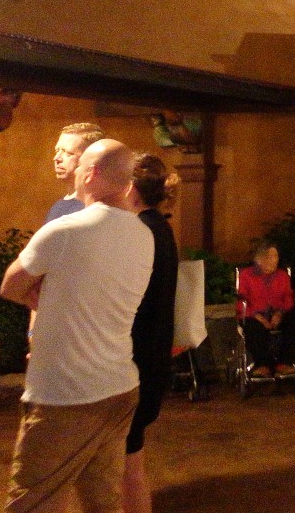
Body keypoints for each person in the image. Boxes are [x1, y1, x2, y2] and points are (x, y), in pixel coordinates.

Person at [1, 139, 153, 513]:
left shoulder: (65, 230)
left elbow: (10, 286)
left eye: (79, 164)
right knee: (103, 500)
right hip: (119, 386)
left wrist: (40, 291)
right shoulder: (144, 234)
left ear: (91, 173)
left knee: (35, 500)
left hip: (65, 394)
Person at [122, 153, 179, 513]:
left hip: (137, 356)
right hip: (152, 353)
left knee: (126, 460)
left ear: (131, 188)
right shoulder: (159, 226)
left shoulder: (142, 230)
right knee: (131, 456)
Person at [236, 240, 295, 379]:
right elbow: (241, 300)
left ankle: (284, 362)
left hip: (277, 312)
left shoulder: (282, 276)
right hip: (254, 315)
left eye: (275, 256)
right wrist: (258, 317)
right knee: (252, 326)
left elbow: (288, 298)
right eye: (269, 256)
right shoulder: (246, 275)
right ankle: (263, 365)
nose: (274, 260)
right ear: (259, 259)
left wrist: (280, 313)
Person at [45, 122, 105, 224]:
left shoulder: (96, 208)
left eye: (68, 153)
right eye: (57, 151)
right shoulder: (58, 207)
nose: (56, 158)